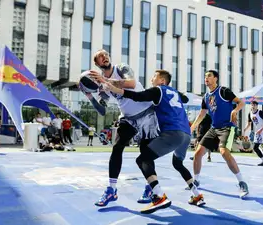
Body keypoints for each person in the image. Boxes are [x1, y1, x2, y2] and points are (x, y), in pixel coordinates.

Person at [104, 69, 204, 214]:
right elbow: (186, 99)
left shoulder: (158, 90)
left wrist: (115, 89)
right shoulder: (173, 92)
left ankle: (158, 196)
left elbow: (138, 96)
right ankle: (197, 195)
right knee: (177, 164)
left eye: (154, 77)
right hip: (186, 135)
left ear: (162, 81)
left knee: (143, 159)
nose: (151, 79)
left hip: (172, 133)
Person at [81, 49, 159, 206]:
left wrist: (104, 80)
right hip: (128, 118)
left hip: (146, 114)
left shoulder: (121, 68)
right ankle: (111, 189)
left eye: (106, 55)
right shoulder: (101, 85)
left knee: (146, 153)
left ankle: (150, 187)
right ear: (96, 63)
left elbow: (130, 83)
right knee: (117, 147)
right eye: (100, 57)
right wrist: (89, 97)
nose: (105, 57)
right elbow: (102, 110)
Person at [190, 70, 249, 199]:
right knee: (198, 153)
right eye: (205, 76)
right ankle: (196, 180)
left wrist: (234, 111)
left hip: (227, 127)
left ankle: (242, 182)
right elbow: (202, 114)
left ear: (215, 78)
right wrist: (192, 127)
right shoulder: (206, 97)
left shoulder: (223, 91)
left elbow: (241, 103)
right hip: (214, 128)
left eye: (209, 76)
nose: (206, 78)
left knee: (224, 152)